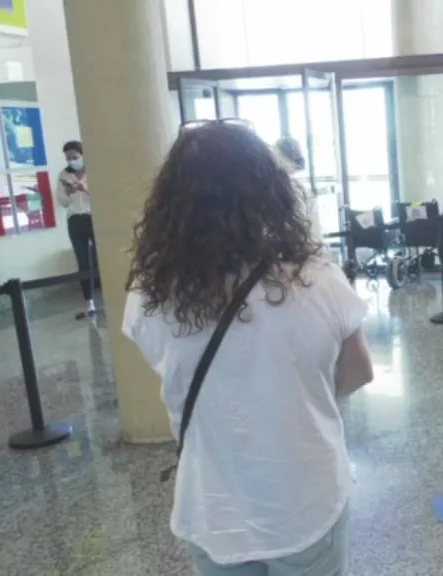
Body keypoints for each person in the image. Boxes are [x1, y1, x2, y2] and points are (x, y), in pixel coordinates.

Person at [122, 122, 373, 575]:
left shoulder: (150, 294)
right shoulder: (315, 278)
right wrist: (294, 393)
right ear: (269, 190)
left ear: (172, 201)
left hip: (213, 510)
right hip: (305, 498)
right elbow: (358, 371)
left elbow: (173, 373)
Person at [55, 141, 98, 320]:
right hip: (75, 219)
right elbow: (62, 201)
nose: (72, 161)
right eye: (68, 158)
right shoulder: (64, 174)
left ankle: (111, 296)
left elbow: (102, 195)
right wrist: (69, 191)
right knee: (82, 260)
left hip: (93, 217)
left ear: (83, 154)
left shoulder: (94, 170)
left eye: (75, 157)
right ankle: (89, 303)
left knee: (100, 256)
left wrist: (84, 188)